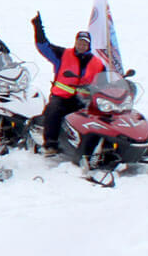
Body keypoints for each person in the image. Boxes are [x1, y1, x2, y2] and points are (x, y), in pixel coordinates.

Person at [32, 14, 105, 154]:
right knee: (54, 111)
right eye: (80, 42)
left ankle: (93, 145)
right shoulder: (63, 54)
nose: (82, 45)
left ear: (89, 45)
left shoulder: (97, 63)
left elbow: (105, 80)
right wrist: (38, 28)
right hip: (62, 97)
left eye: (85, 43)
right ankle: (51, 144)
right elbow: (43, 46)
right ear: (75, 42)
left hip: (84, 99)